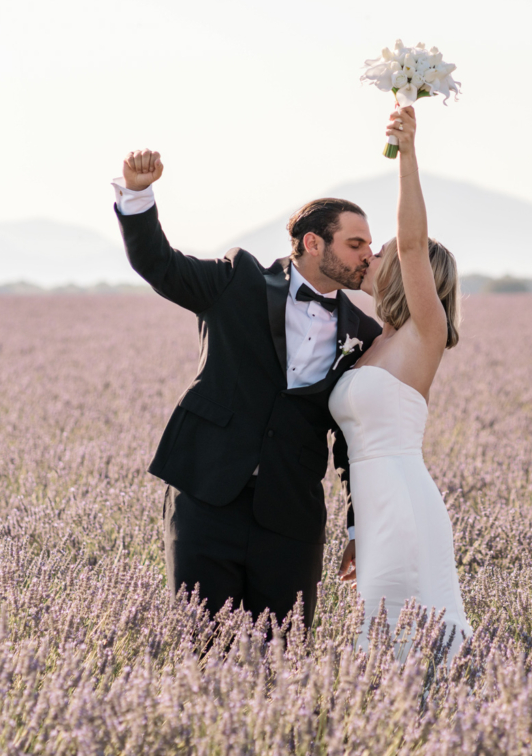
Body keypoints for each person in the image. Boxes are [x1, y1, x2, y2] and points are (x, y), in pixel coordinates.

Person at [113, 156, 382, 628]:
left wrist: (360, 528)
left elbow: (354, 443)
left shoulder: (364, 331)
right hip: (206, 497)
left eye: (370, 246)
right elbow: (162, 266)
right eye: (356, 243)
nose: (368, 256)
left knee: (282, 658)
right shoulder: (238, 280)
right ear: (313, 243)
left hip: (290, 517)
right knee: (202, 648)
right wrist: (138, 195)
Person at [330, 104, 472, 656]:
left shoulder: (424, 334)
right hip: (376, 508)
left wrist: (407, 153)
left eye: (380, 252)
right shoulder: (375, 343)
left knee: (408, 644)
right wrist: (354, 531)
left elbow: (412, 242)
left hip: (406, 506)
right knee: (384, 644)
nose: (371, 256)